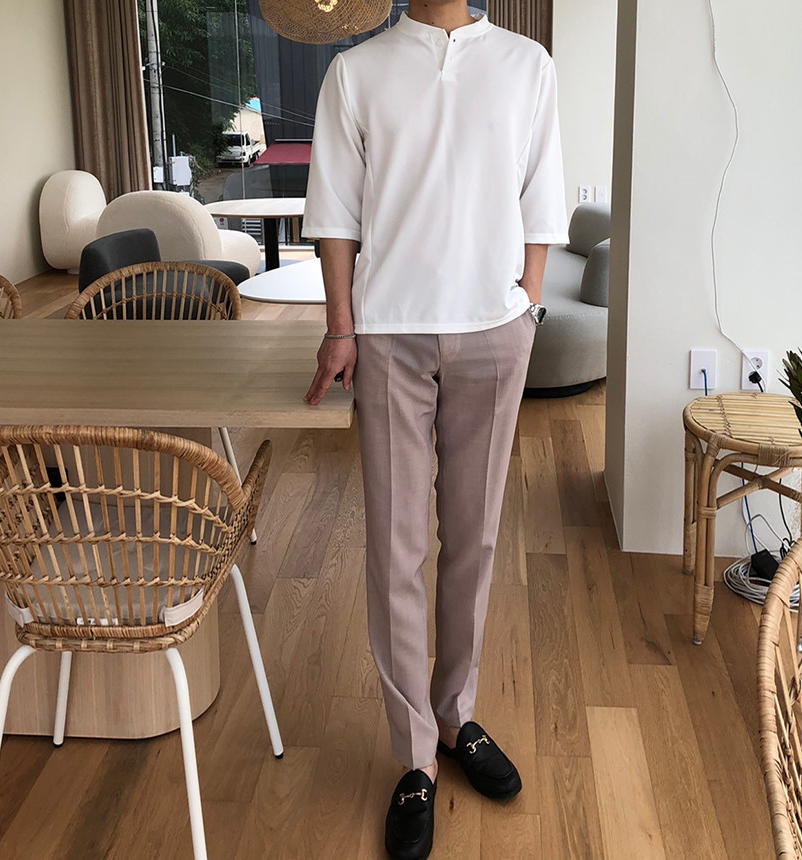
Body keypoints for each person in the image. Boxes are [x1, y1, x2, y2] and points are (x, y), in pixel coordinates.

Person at [301, 1, 567, 856]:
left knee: (475, 540)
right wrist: (341, 327)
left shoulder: (527, 65)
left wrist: (526, 309)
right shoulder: (357, 71)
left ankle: (457, 716)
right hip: (388, 334)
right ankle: (415, 752)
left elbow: (542, 200)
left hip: (496, 330)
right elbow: (335, 212)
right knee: (395, 547)